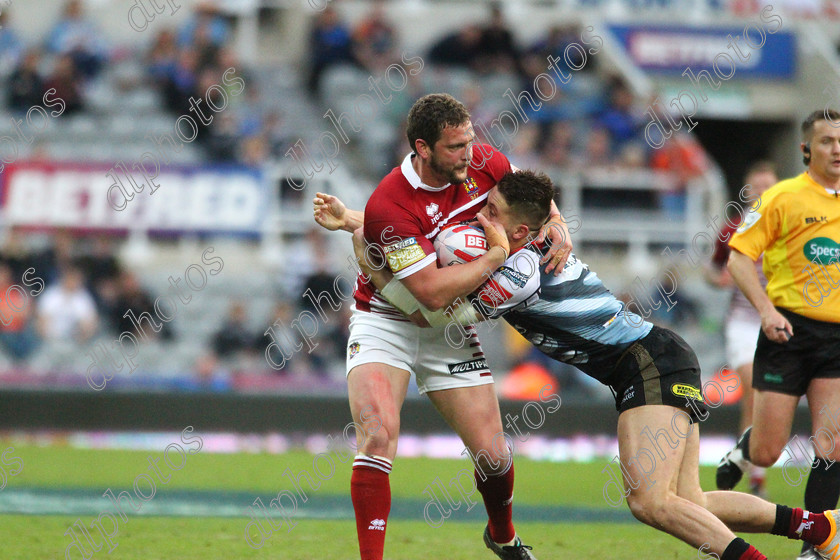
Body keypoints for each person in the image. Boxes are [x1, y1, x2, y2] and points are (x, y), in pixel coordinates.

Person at [329, 170, 840, 560]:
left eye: (492, 209)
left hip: (646, 363)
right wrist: (358, 219)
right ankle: (823, 529)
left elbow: (439, 312)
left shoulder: (522, 269)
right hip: (657, 356)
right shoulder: (527, 244)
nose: (479, 213)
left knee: (649, 503)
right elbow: (431, 245)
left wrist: (373, 262)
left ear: (522, 228)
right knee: (690, 502)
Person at [312, 93, 572, 560]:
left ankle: (503, 535)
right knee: (378, 434)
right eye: (455, 147)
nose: (469, 155)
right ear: (423, 148)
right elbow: (428, 293)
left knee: (493, 456)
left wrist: (557, 221)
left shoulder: (485, 162)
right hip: (385, 319)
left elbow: (531, 198)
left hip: (448, 331)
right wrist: (494, 255)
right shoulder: (391, 200)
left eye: (470, 141)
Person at [716, 109, 840, 560]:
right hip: (788, 331)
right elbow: (737, 259)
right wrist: (766, 311)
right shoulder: (780, 198)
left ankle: (816, 544)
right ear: (807, 149)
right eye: (827, 141)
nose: (837, 149)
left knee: (833, 442)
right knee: (768, 451)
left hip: (836, 338)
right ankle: (743, 451)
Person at [704, 161, 778, 497]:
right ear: (747, 192)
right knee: (753, 388)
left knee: (768, 399)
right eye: (757, 186)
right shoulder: (733, 228)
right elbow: (712, 269)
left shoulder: (788, 226)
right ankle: (749, 465)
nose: (762, 192)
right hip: (744, 322)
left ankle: (752, 467)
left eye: (768, 185)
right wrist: (719, 279)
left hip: (780, 323)